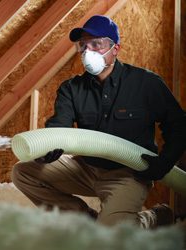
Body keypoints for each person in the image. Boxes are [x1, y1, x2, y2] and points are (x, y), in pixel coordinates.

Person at [11, 15, 186, 228]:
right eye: (83, 45)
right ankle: (88, 223)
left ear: (115, 48)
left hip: (128, 174)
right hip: (86, 168)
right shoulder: (71, 88)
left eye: (96, 44)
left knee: (111, 239)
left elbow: (178, 125)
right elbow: (60, 124)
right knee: (23, 172)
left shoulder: (145, 83)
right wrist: (49, 146)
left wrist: (164, 163)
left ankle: (152, 218)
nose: (88, 52)